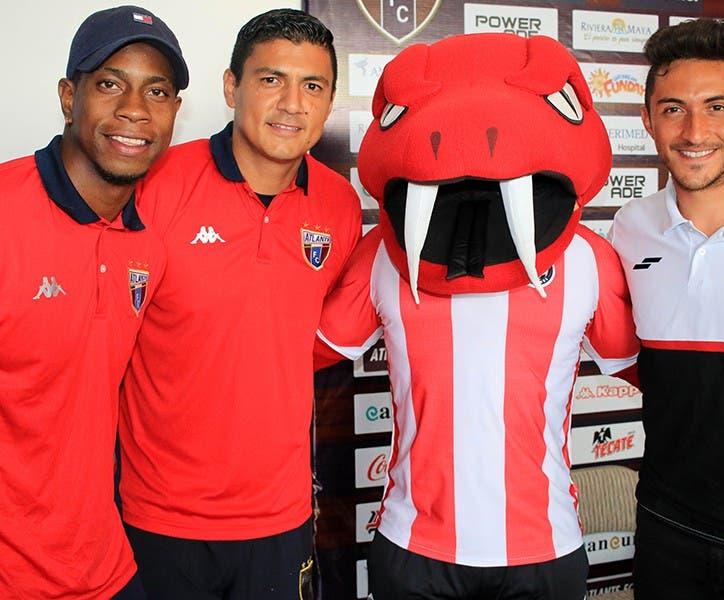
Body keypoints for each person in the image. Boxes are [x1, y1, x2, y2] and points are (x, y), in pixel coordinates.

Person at [316, 33, 640, 600]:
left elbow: (650, 369)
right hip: (413, 544)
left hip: (545, 547)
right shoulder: (382, 254)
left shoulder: (589, 257)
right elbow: (305, 352)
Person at [118, 8, 361, 600]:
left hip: (280, 518)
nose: (292, 104)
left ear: (330, 103)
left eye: (313, 87)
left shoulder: (340, 206)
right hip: (158, 516)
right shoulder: (155, 184)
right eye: (271, 79)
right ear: (232, 87)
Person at [609, 18, 724, 600]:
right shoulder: (630, 228)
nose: (695, 131)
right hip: (670, 529)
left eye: (717, 107)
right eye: (673, 109)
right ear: (647, 120)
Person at [0, 6, 187, 599]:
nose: (134, 109)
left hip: (106, 569)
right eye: (109, 84)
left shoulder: (147, 248)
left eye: (156, 91)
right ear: (68, 97)